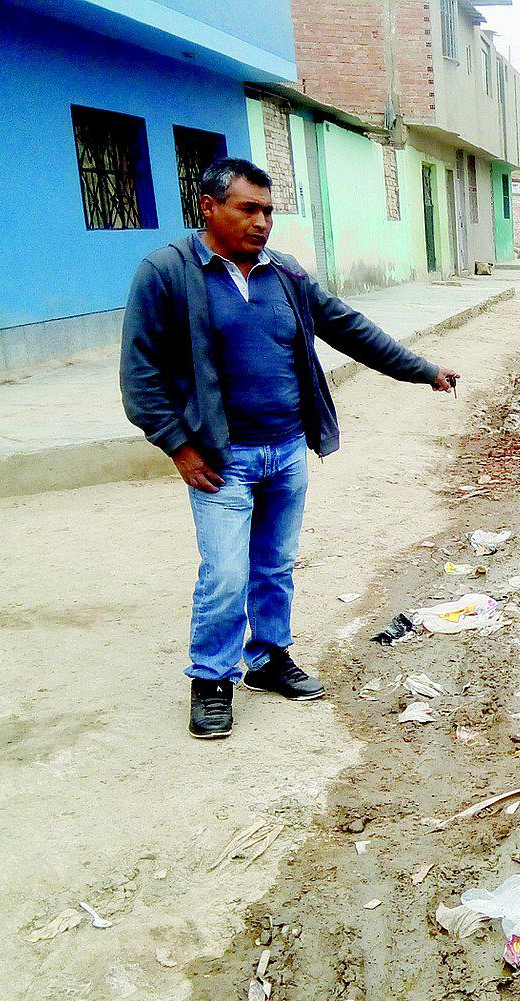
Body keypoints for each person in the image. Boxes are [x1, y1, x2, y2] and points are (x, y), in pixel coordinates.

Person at [119, 157, 460, 740]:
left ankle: (268, 658)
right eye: (247, 209)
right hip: (221, 460)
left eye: (268, 211)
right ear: (209, 207)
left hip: (285, 451)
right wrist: (177, 446)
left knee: (274, 566)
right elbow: (140, 373)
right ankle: (211, 679)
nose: (261, 223)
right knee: (225, 574)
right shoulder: (168, 273)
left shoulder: (286, 274)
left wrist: (421, 369)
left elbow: (350, 328)